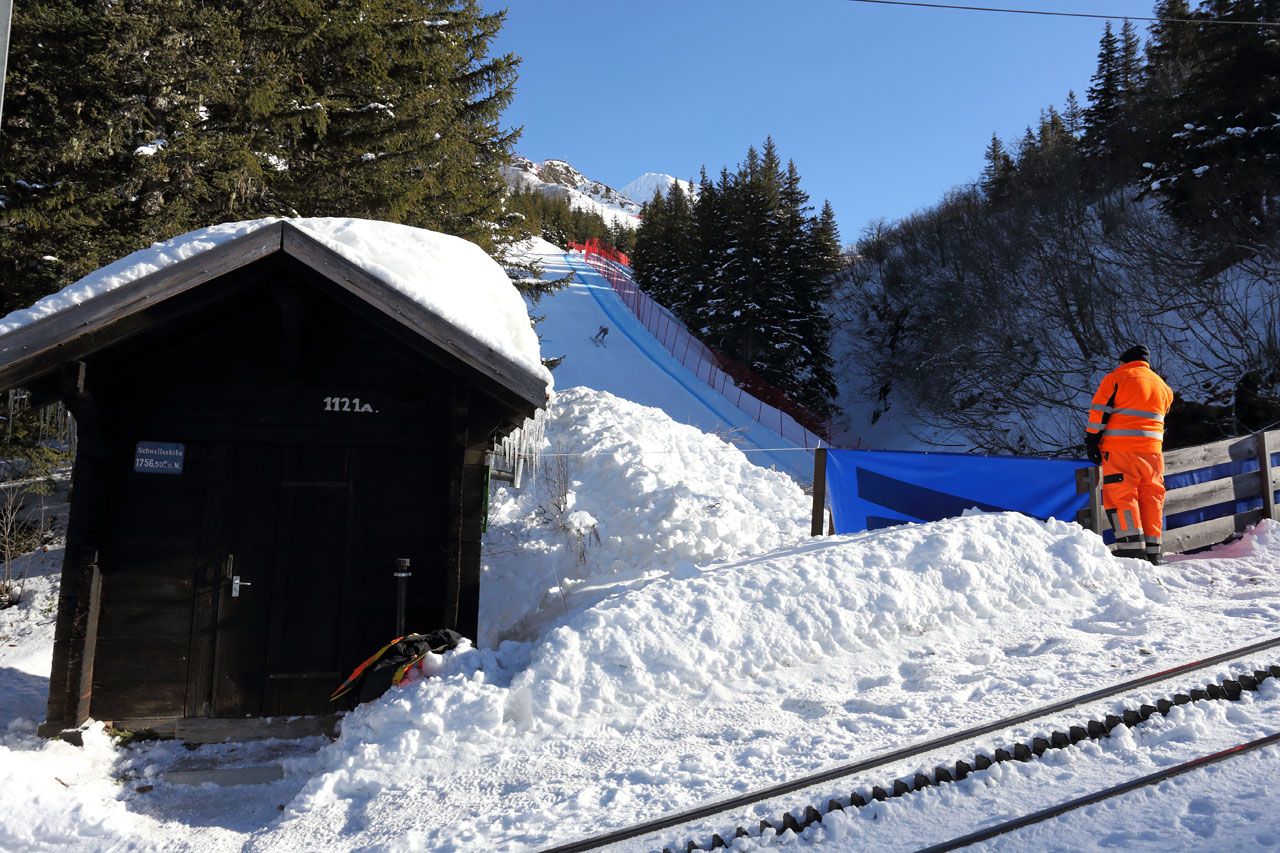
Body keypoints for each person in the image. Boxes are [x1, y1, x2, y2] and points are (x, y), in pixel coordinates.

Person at [1084, 344, 1174, 564]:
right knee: (1151, 496)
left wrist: (1092, 440)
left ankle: (1131, 548)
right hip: (1153, 452)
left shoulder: (1116, 378)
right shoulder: (1163, 386)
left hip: (1120, 449)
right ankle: (1154, 550)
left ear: (1125, 361)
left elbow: (1099, 413)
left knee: (1123, 494)